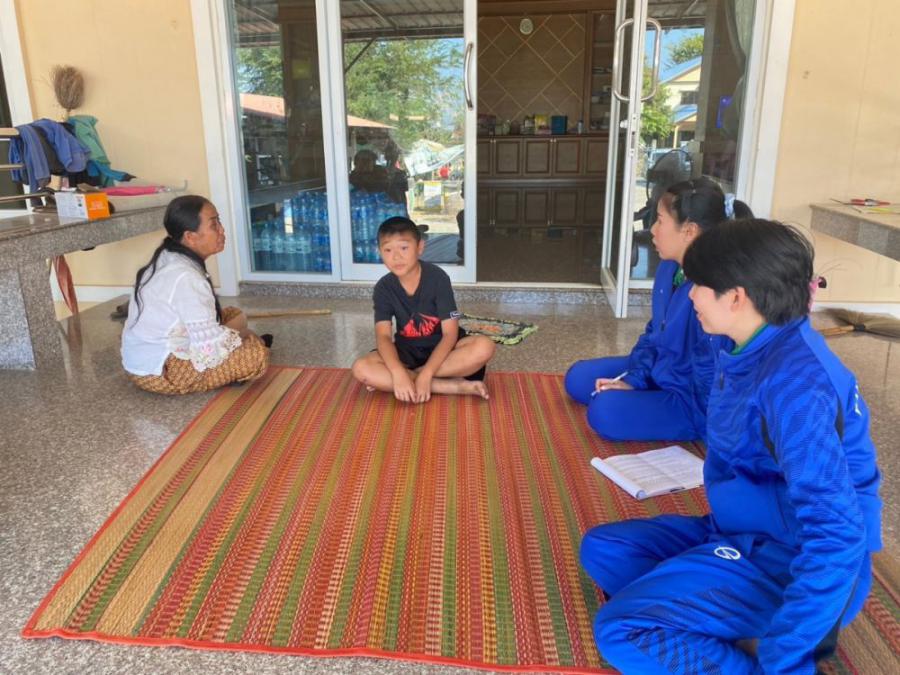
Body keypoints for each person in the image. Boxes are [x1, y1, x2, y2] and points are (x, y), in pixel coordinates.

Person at [580, 219, 882, 674]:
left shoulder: (796, 388)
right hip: (739, 530)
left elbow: (836, 535)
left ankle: (752, 644)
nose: (691, 297)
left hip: (787, 559)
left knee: (621, 631)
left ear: (736, 297)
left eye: (699, 286)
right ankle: (721, 607)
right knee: (604, 549)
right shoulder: (751, 345)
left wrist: (786, 661)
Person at [564, 178, 752, 441]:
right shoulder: (669, 268)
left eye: (660, 221)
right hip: (660, 369)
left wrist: (708, 422)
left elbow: (709, 375)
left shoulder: (712, 289)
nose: (652, 229)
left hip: (688, 397)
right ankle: (645, 393)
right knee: (577, 379)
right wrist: (635, 380)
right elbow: (655, 332)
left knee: (603, 411)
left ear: (689, 231)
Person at [121, 195, 271, 394]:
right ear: (190, 237)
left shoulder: (169, 254)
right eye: (214, 225)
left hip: (142, 359)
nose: (222, 230)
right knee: (256, 356)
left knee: (235, 314)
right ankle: (243, 351)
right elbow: (209, 352)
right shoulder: (186, 277)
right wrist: (245, 337)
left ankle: (241, 341)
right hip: (160, 370)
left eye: (219, 222)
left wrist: (237, 334)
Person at [351, 216, 495, 402]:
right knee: (361, 368)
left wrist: (425, 373)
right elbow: (383, 336)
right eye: (388, 250)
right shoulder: (383, 288)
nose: (396, 257)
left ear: (420, 247)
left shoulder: (438, 278)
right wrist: (397, 371)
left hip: (445, 352)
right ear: (380, 252)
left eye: (404, 248)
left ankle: (414, 378)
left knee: (484, 346)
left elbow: (450, 334)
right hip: (407, 351)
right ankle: (451, 386)